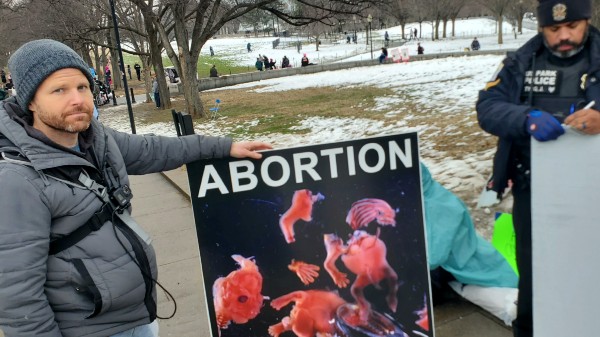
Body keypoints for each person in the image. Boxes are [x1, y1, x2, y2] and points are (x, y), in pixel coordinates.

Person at [0, 38, 272, 337]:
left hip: (137, 317)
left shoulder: (96, 140)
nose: (77, 99)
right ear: (30, 101)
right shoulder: (16, 179)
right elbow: (17, 296)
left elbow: (154, 150)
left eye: (82, 87)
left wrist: (224, 147)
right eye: (59, 90)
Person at [476, 1, 598, 336]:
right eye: (553, 29)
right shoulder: (519, 61)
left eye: (572, 26)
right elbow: (487, 106)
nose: (564, 36)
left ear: (586, 20)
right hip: (536, 189)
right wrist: (524, 118)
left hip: (594, 188)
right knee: (535, 274)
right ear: (542, 28)